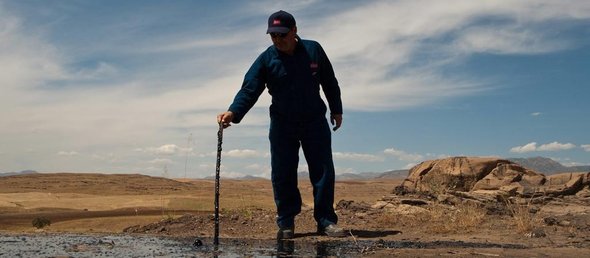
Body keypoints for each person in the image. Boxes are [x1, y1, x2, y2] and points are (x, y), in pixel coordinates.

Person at [217, 10, 345, 239]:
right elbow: (250, 88)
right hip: (282, 123)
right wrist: (233, 112)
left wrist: (336, 109)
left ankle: (325, 221)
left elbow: (329, 81)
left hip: (314, 120)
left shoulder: (313, 49)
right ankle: (286, 222)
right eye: (273, 35)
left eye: (282, 34)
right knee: (283, 172)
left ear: (294, 30)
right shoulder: (267, 58)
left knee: (323, 170)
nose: (277, 39)